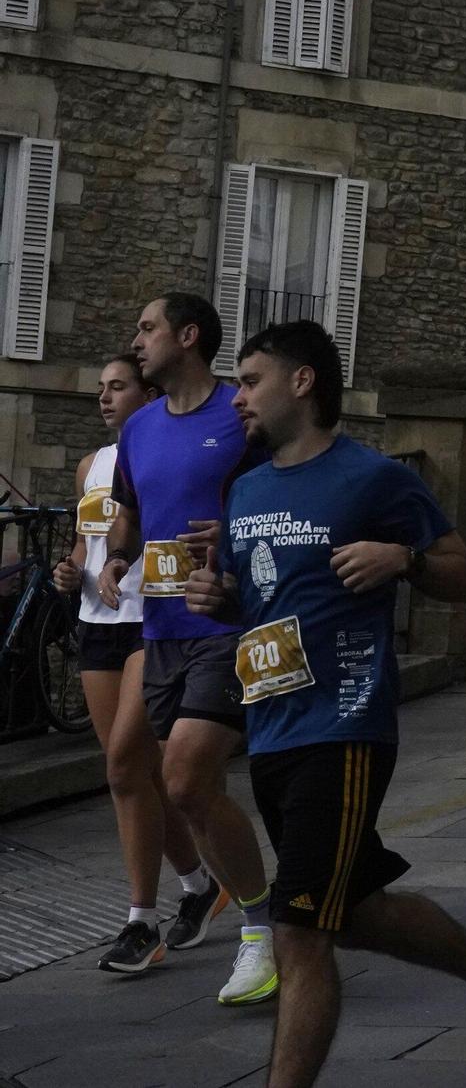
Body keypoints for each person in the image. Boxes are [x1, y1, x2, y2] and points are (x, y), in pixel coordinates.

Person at [185, 320, 466, 1084]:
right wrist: (221, 599)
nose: (238, 397)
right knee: (352, 913)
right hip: (273, 728)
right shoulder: (248, 487)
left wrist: (404, 558)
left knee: (298, 929)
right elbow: (261, 604)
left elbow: (463, 573)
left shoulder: (372, 477)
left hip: (344, 726)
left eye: (251, 380)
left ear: (303, 381)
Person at [99, 293, 276, 1004]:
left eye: (147, 329)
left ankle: (262, 929)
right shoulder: (140, 429)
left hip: (227, 625)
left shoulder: (240, 412)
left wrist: (235, 543)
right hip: (162, 630)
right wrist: (117, 559)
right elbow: (131, 514)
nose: (137, 342)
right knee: (193, 790)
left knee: (180, 779)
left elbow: (284, 485)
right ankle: (225, 895)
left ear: (189, 335)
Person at [53, 355, 217, 974]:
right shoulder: (90, 465)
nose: (103, 397)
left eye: (117, 386)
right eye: (99, 387)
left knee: (125, 763)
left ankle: (140, 922)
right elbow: (86, 541)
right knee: (133, 777)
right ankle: (199, 886)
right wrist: (72, 571)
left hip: (154, 620)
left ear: (148, 395)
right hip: (97, 622)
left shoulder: (164, 452)